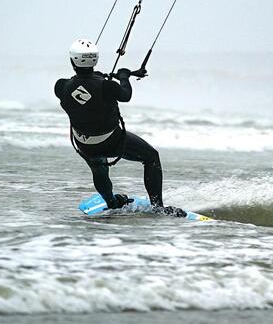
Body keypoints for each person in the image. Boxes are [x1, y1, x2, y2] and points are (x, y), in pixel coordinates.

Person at [55, 39, 184, 216]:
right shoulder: (107, 86)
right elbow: (125, 94)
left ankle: (111, 201)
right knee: (151, 157)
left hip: (84, 143)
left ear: (72, 61)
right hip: (111, 141)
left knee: (98, 165)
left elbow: (84, 86)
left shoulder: (61, 86)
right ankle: (158, 207)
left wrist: (104, 78)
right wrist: (124, 76)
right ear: (95, 59)